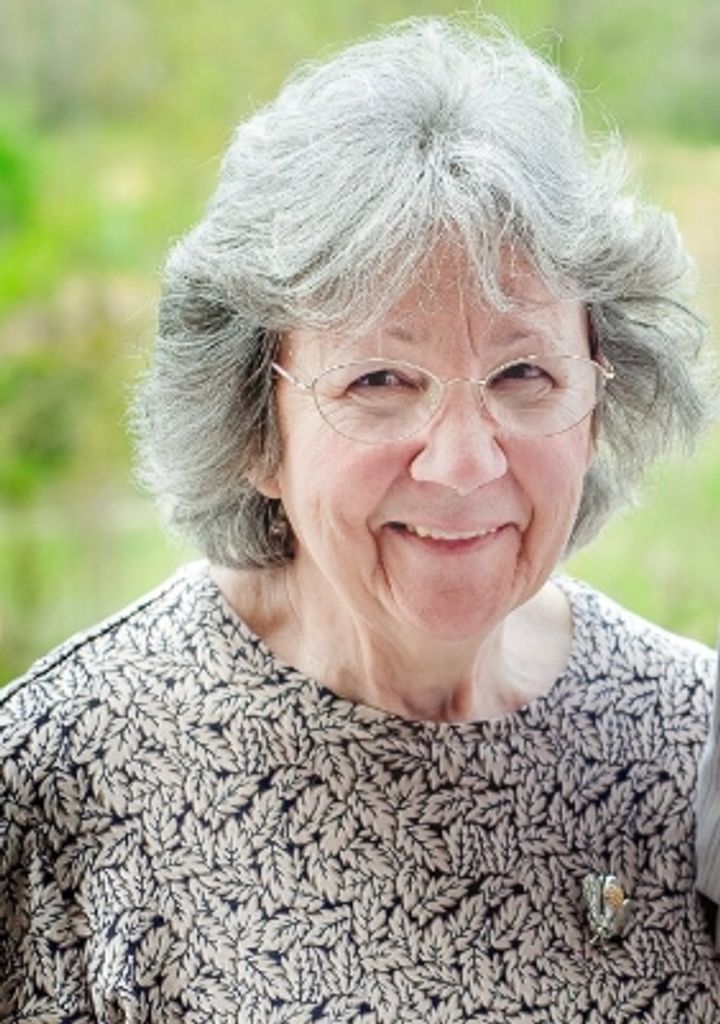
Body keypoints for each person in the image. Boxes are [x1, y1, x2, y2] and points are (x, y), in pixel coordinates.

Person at [1, 16, 718, 1022]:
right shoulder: (59, 776)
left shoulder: (692, 742)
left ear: (601, 400)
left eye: (524, 372)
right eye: (381, 379)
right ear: (257, 428)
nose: (464, 462)